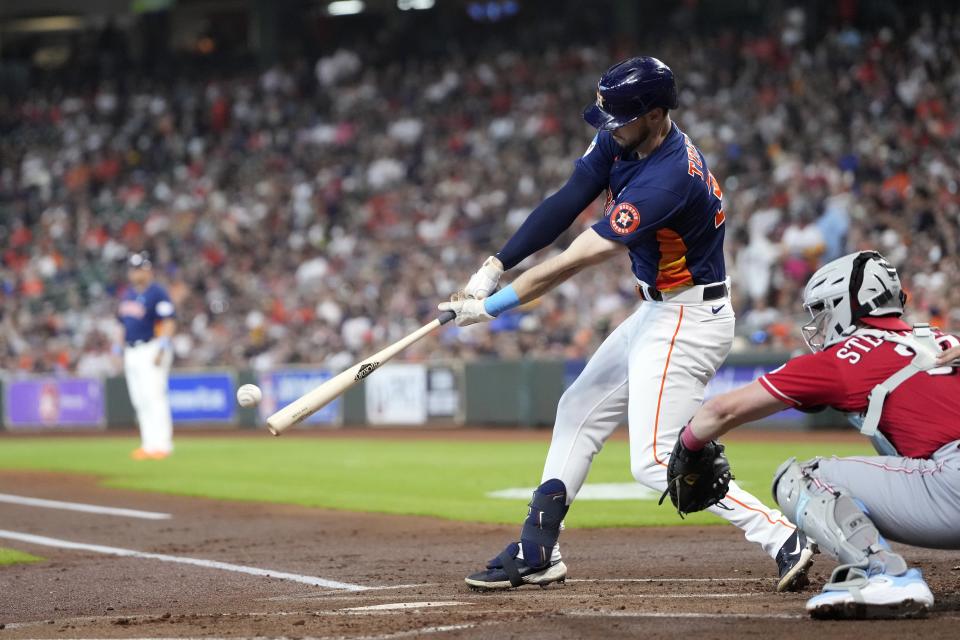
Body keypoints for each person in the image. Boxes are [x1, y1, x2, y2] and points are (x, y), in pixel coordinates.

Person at [441, 57, 812, 592]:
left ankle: (783, 535)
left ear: (656, 114)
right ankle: (538, 547)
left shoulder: (667, 179)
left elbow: (575, 258)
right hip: (658, 311)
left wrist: (492, 307)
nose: (609, 129)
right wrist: (496, 263)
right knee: (577, 408)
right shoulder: (629, 137)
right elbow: (567, 199)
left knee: (657, 460)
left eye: (620, 119)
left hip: (690, 317)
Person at [668, 250, 960, 619]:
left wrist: (688, 444)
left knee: (803, 478)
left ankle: (884, 575)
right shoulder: (942, 339)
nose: (819, 325)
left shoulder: (845, 358)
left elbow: (720, 411)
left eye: (823, 311)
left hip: (954, 485)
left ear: (844, 305)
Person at [117, 252, 176, 460]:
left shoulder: (157, 292)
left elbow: (168, 321)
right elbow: (122, 324)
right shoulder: (128, 294)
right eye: (132, 269)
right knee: (140, 400)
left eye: (138, 268)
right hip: (131, 351)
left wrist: (162, 348)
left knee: (155, 397)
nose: (134, 272)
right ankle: (149, 444)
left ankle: (163, 445)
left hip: (151, 348)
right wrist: (118, 348)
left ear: (147, 270)